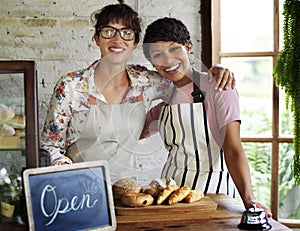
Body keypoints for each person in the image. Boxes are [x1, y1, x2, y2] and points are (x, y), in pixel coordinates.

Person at [40, 1, 234, 184]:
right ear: (96, 38)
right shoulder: (71, 86)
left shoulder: (147, 82)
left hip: (127, 191)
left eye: (126, 33)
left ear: (135, 42)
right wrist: (68, 175)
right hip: (76, 189)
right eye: (109, 31)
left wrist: (214, 72)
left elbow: (184, 82)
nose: (117, 40)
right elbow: (50, 146)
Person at [141, 17, 272, 216]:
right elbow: (129, 133)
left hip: (212, 197)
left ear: (188, 46)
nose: (167, 60)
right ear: (152, 63)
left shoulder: (217, 87)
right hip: (169, 199)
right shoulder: (162, 100)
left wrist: (248, 198)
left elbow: (233, 148)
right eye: (158, 55)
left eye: (174, 49)